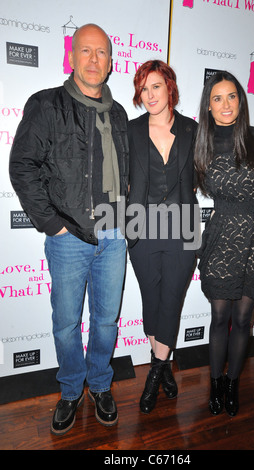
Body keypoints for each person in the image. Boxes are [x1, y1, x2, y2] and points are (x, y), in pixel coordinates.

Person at [9, 24, 129, 435]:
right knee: (65, 322)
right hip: (69, 238)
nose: (94, 60)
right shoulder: (46, 105)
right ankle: (70, 389)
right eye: (86, 51)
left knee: (107, 321)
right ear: (71, 56)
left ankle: (99, 384)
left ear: (111, 63)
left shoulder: (118, 113)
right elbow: (22, 167)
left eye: (102, 53)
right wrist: (53, 225)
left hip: (115, 236)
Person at [194, 71, 254, 417]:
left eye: (232, 96)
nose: (226, 104)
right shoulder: (201, 144)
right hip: (222, 240)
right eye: (217, 98)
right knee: (219, 317)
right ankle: (214, 383)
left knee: (243, 320)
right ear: (209, 106)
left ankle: (232, 384)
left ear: (241, 101)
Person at [127, 60, 199, 414]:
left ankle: (155, 374)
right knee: (151, 301)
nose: (150, 94)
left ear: (169, 87)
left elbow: (204, 175)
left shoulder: (192, 130)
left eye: (156, 86)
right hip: (142, 229)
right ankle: (165, 364)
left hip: (182, 230)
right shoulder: (131, 130)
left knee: (172, 298)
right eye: (144, 88)